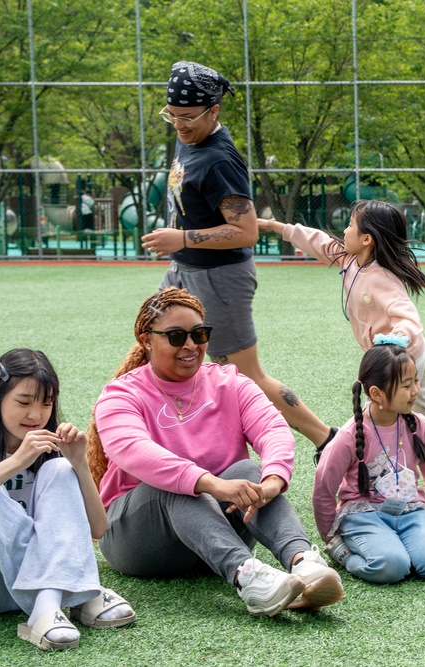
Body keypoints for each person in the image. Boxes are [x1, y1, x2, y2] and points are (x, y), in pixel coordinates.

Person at [86, 287, 344, 617]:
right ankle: (249, 578)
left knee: (250, 473)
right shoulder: (121, 394)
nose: (191, 345)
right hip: (139, 541)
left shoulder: (229, 382)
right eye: (176, 336)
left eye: (199, 333)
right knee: (176, 488)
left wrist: (273, 481)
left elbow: (272, 428)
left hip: (214, 534)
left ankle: (303, 562)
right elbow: (133, 451)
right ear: (146, 339)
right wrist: (211, 484)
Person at [140, 61, 336, 455]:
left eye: (188, 118)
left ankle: (327, 439)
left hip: (220, 278)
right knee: (151, 346)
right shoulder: (189, 135)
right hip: (184, 270)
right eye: (171, 116)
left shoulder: (220, 160)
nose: (178, 125)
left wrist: (181, 236)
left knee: (245, 375)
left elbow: (245, 231)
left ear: (214, 111)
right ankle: (166, 441)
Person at [259, 200, 425, 498]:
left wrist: (392, 342)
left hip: (403, 358)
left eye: (350, 225)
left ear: (367, 239)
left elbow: (408, 318)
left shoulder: (380, 278)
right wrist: (276, 227)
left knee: (387, 417)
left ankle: (392, 483)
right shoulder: (349, 260)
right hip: (402, 358)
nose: (344, 230)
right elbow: (319, 241)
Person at [0, 349, 136, 652]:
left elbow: (98, 529)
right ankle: (82, 595)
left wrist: (79, 464)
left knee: (59, 468)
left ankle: (47, 607)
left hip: (29, 584)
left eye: (46, 404)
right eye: (23, 402)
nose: (36, 415)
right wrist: (17, 461)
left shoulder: (51, 445)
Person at [313, 338, 425, 584]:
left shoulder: (419, 426)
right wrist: (331, 537)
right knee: (392, 567)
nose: (415, 391)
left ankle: (403, 546)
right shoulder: (349, 437)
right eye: (405, 385)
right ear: (376, 394)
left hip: (411, 512)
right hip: (365, 515)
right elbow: (323, 491)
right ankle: (345, 553)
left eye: (415, 381)